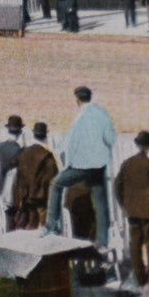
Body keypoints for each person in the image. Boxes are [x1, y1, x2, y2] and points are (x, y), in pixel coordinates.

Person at [44, 86, 116, 245]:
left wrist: (68, 164)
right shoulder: (101, 114)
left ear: (77, 100)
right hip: (99, 165)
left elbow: (71, 143)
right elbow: (110, 138)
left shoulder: (81, 117)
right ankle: (103, 242)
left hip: (83, 165)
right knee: (100, 203)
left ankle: (51, 225)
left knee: (56, 184)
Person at [114, 130, 149, 289]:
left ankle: (140, 277)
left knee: (135, 244)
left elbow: (117, 186)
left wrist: (124, 204)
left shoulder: (127, 163)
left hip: (132, 211)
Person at [13, 122, 59, 230]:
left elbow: (20, 177)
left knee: (31, 227)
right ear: (45, 136)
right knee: (43, 229)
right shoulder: (47, 156)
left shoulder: (24, 153)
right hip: (41, 199)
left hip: (27, 198)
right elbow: (52, 178)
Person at [0, 115, 25, 231]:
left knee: (8, 217)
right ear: (20, 132)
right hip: (15, 187)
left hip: (3, 186)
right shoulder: (20, 150)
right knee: (18, 219)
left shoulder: (1, 146)